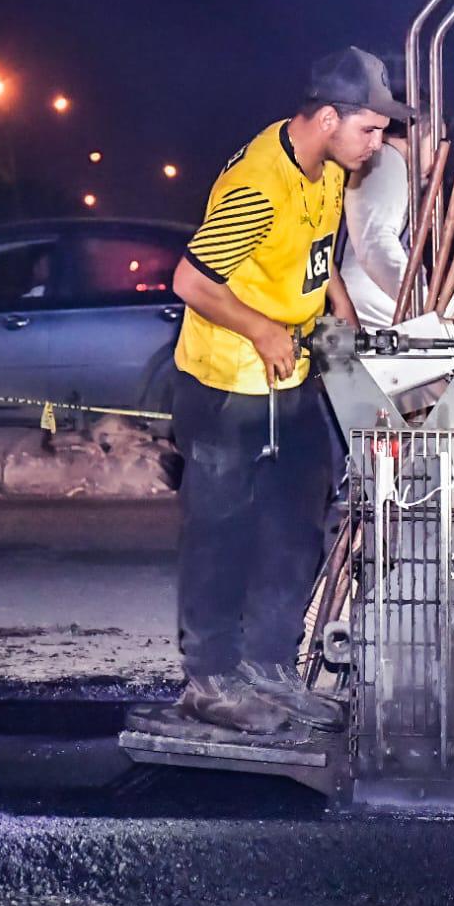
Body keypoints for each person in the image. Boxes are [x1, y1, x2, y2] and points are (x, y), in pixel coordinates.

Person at [165, 46, 413, 736]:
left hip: (293, 379)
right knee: (221, 534)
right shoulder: (257, 185)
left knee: (295, 523)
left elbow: (319, 252)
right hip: (226, 388)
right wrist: (263, 329)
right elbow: (190, 282)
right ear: (328, 117)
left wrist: (343, 311)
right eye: (370, 128)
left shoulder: (329, 167)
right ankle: (209, 679)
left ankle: (269, 666)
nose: (379, 143)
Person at [340, 108, 435, 329]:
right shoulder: (386, 160)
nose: (439, 152)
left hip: (367, 305)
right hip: (366, 310)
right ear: (419, 129)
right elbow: (376, 242)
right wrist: (420, 306)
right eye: (436, 139)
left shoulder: (390, 164)